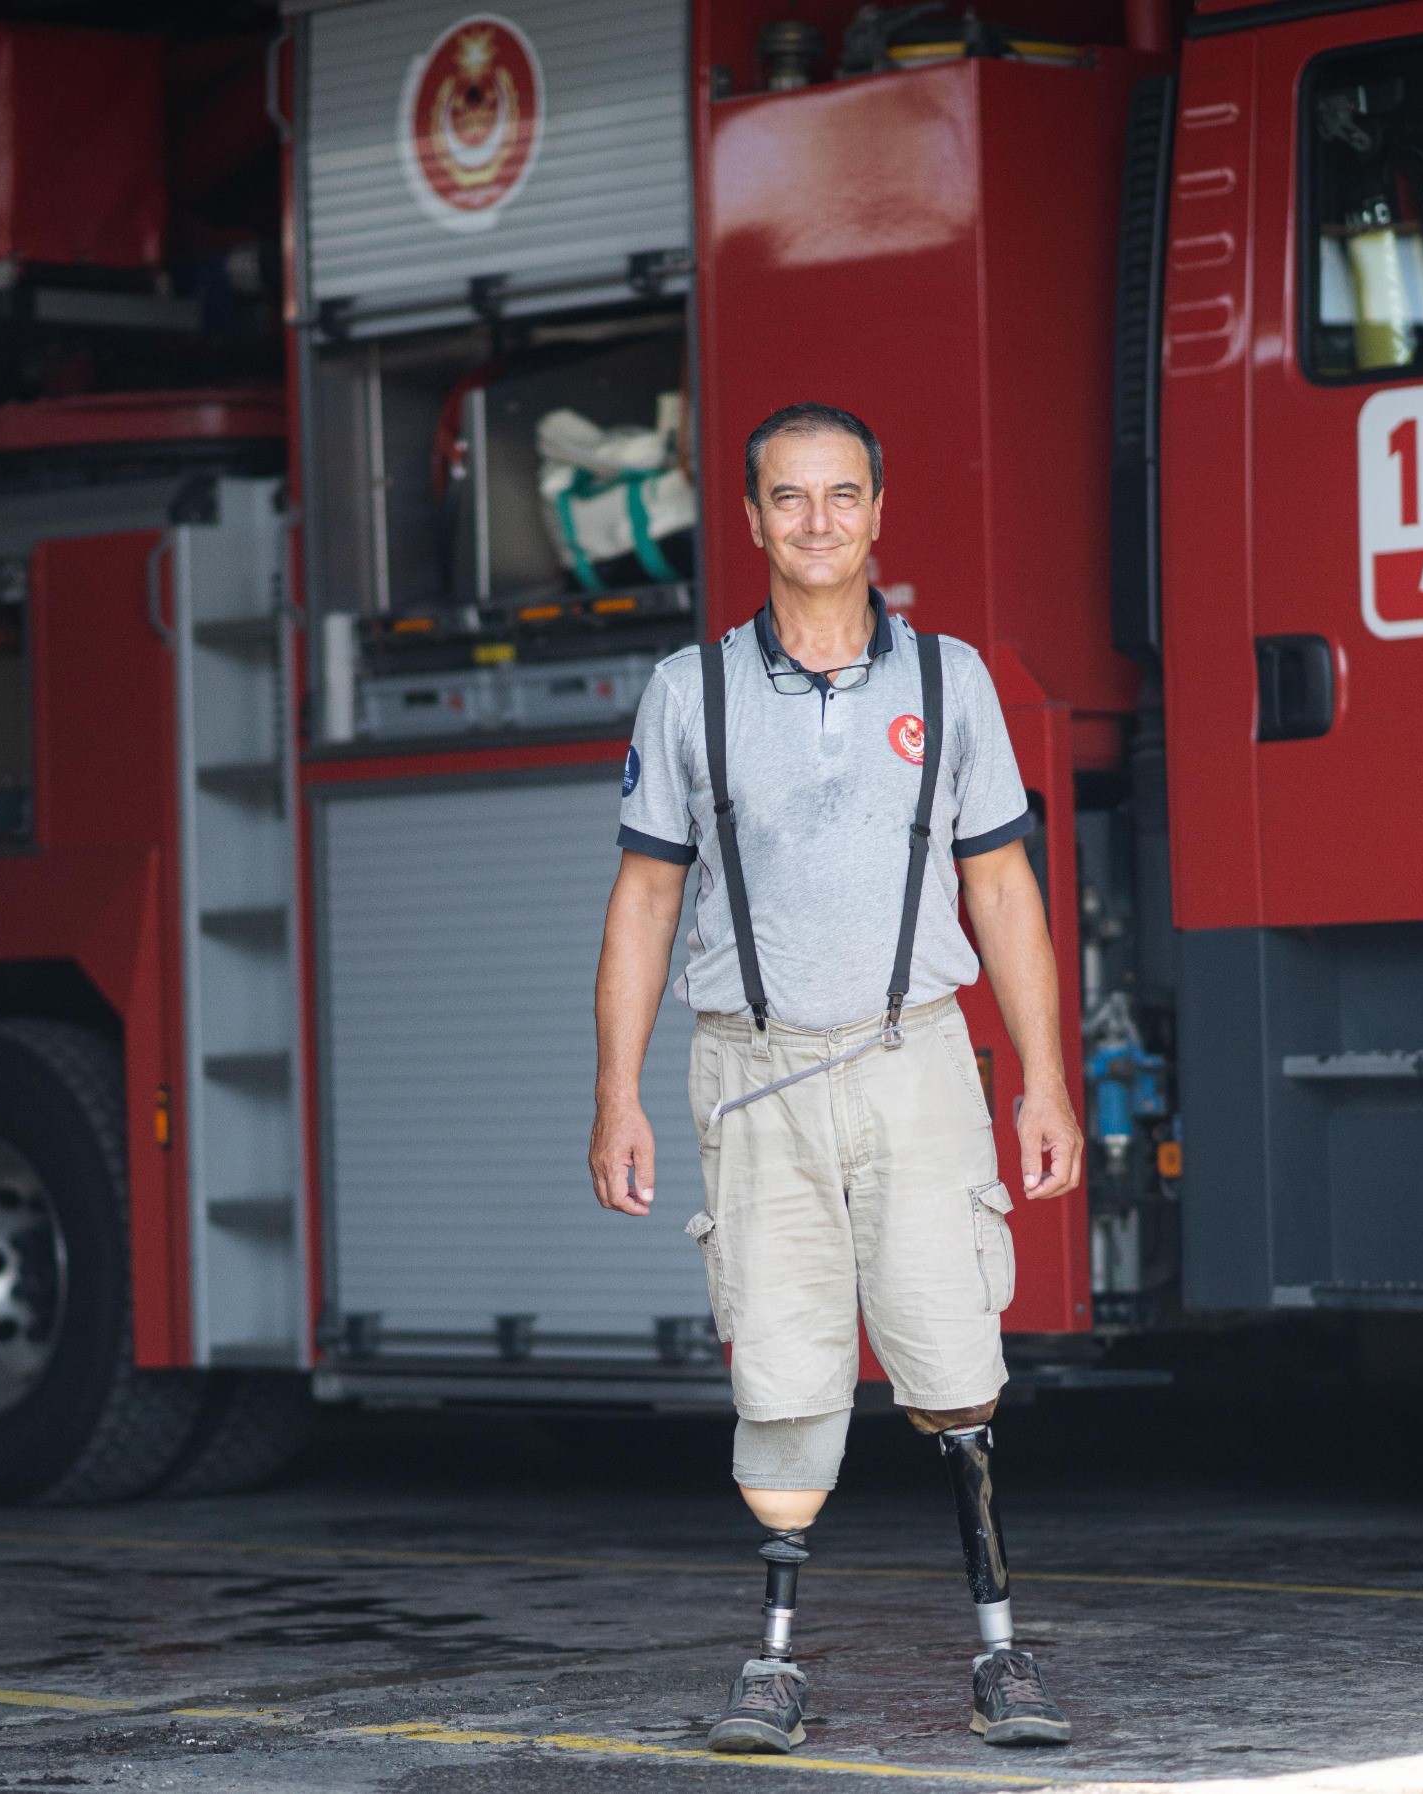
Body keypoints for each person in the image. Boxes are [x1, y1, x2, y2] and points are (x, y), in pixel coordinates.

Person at [587, 402, 1084, 1755]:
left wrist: (1044, 1080)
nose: (818, 521)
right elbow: (644, 901)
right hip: (752, 1074)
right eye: (790, 498)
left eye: (842, 494)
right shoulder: (689, 692)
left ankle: (1000, 1654)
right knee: (785, 1376)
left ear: (879, 512)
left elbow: (1004, 890)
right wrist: (617, 1093)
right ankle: (772, 1665)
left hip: (913, 1055)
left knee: (954, 1356)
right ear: (751, 519)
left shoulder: (952, 681)